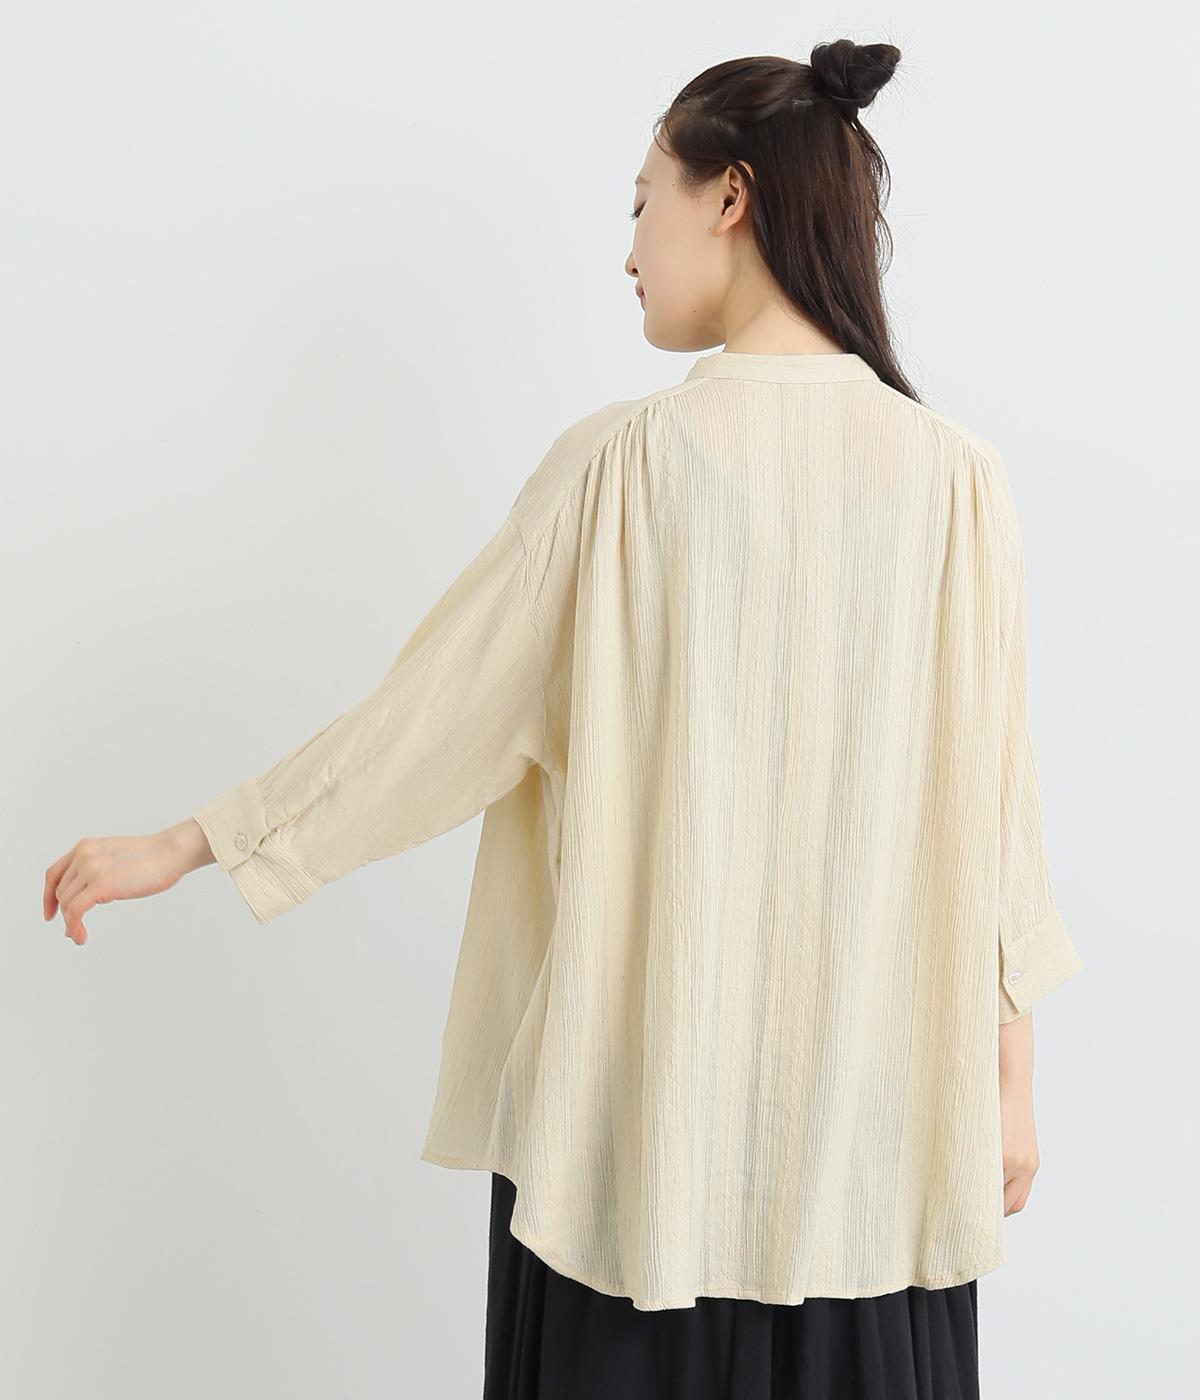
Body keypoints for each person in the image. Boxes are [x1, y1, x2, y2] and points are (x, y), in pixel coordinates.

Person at [43, 37, 1083, 1400]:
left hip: (630, 1178)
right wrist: (1008, 1085)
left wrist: (192, 842)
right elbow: (999, 822)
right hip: (880, 1173)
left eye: (643, 199)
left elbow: (426, 722)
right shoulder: (957, 479)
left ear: (730, 197)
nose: (628, 248)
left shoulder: (622, 471)